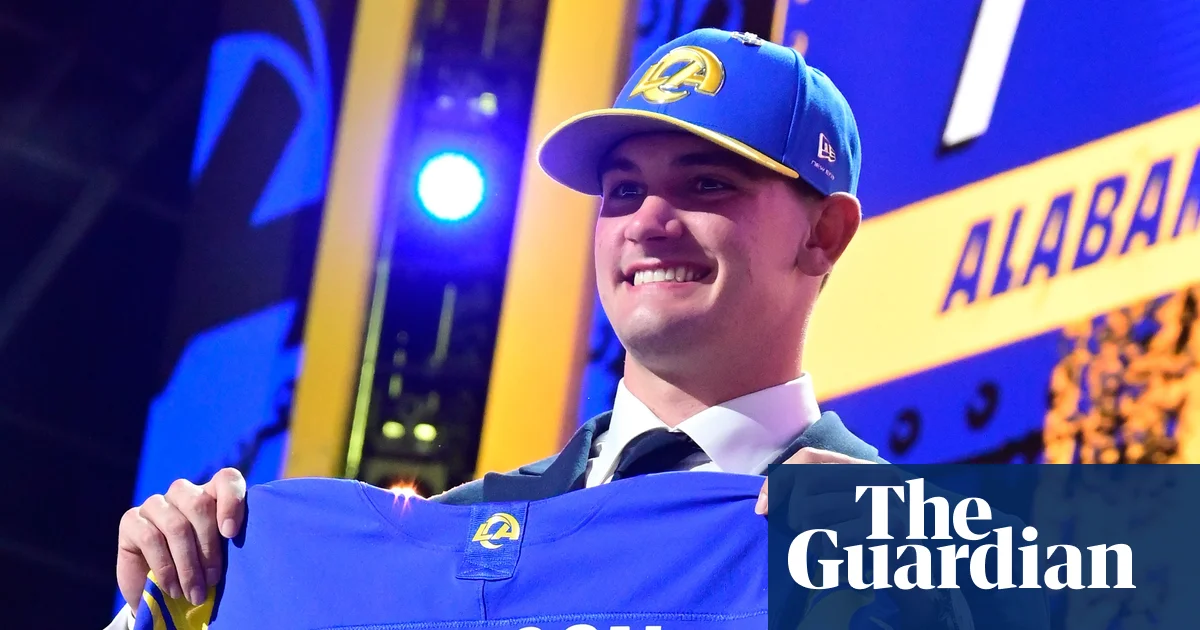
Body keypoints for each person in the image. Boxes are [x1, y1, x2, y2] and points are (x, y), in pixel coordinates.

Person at [104, 28, 1036, 630]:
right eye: (622, 190)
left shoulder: (915, 556)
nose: (648, 223)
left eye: (707, 184)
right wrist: (195, 578)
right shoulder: (456, 533)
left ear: (824, 234)